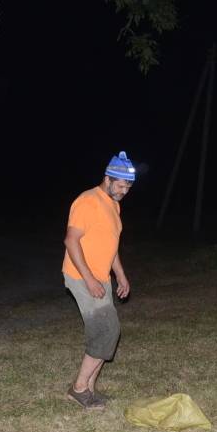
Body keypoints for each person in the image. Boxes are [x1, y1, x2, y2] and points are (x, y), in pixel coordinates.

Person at [62, 151, 135, 409]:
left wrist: (120, 275)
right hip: (81, 276)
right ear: (107, 179)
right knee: (106, 330)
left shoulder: (113, 204)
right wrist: (89, 279)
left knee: (109, 331)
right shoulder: (87, 201)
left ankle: (90, 389)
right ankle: (79, 388)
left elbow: (110, 245)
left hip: (101, 276)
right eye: (121, 186)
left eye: (128, 187)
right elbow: (71, 241)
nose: (124, 191)